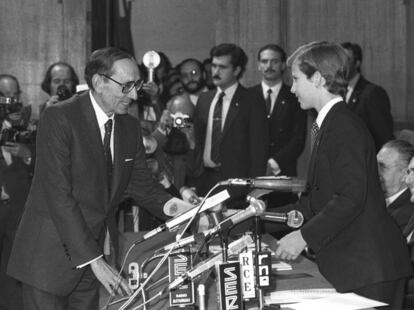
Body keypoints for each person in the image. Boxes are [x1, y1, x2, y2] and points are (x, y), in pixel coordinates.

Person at [7, 47, 187, 310]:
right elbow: (59, 195)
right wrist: (94, 260)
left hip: (92, 258)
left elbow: (144, 187)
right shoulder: (59, 117)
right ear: (99, 82)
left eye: (137, 85)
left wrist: (184, 210)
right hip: (49, 258)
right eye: (126, 86)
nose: (135, 95)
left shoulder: (128, 127)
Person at [274, 41, 412, 308]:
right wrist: (253, 219)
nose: (292, 88)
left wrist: (303, 236)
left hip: (369, 265)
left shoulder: (343, 126)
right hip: (356, 263)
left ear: (316, 78)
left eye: (296, 79)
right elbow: (314, 202)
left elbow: (351, 197)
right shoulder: (330, 123)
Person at [189, 43, 268, 198]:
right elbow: (197, 143)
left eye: (222, 67)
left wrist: (253, 188)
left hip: (237, 184)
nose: (215, 72)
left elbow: (259, 149)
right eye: (213, 66)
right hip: (205, 182)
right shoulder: (204, 99)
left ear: (237, 70)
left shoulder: (251, 101)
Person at [249, 44, 307, 207]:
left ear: (283, 65)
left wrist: (273, 162)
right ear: (258, 65)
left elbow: (299, 138)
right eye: (264, 61)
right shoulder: (247, 96)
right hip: (252, 173)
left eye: (274, 61)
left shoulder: (295, 95)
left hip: (282, 172)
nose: (269, 66)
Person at [0, 74, 35, 310]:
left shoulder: (28, 127)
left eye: (14, 94)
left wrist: (27, 154)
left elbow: (44, 163)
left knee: (12, 274)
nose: (10, 100)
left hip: (18, 211)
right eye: (4, 95)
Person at [341, 42, 394, 151]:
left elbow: (383, 136)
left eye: (346, 60)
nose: (341, 64)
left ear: (357, 63)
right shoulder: (335, 91)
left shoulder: (373, 93)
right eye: (339, 59)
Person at [377, 140, 414, 231]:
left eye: (382, 167)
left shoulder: (408, 214)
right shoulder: (372, 198)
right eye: (375, 165)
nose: (375, 171)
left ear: (405, 174)